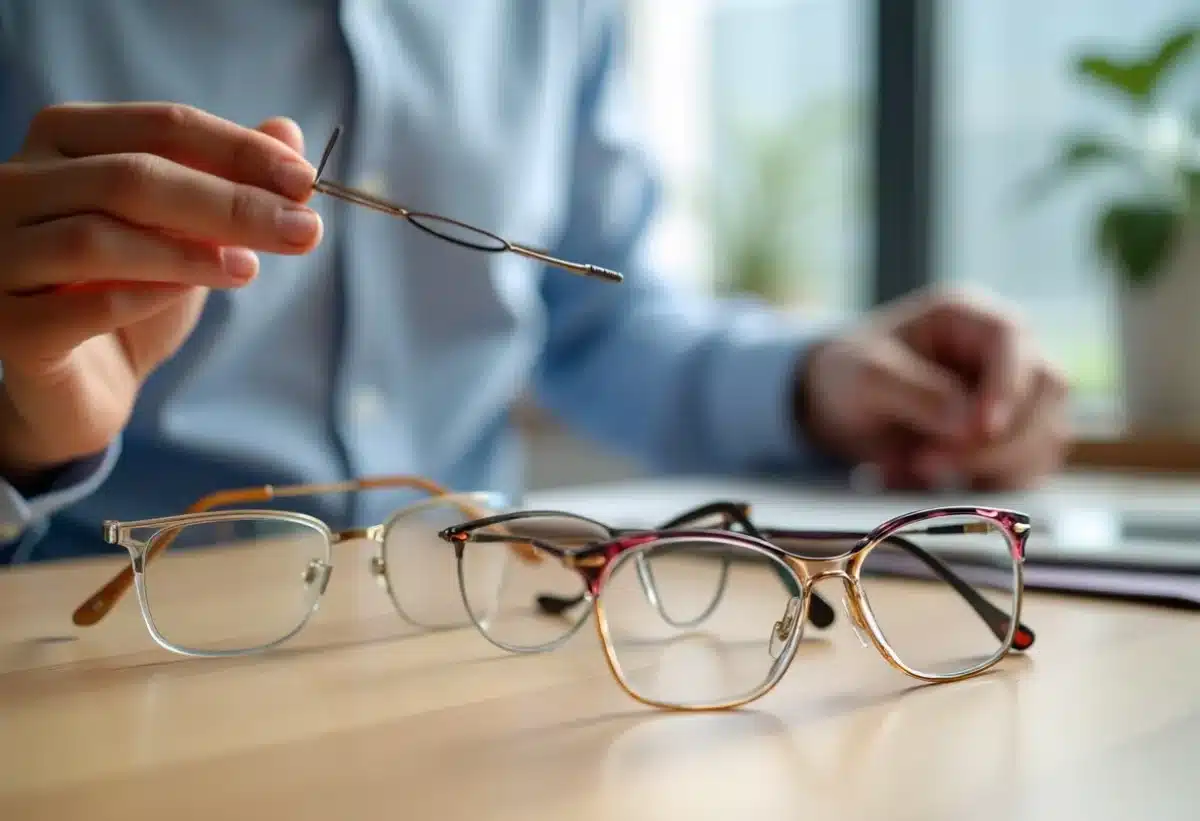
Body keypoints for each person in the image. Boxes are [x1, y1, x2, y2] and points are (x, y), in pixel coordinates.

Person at [0, 1, 1068, 564]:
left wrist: (822, 382)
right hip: (91, 632)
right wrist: (21, 430)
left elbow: (601, 322)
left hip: (473, 627)